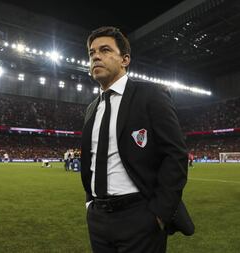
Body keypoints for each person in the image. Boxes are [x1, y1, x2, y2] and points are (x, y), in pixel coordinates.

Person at [81, 26, 193, 253]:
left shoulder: (151, 96)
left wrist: (159, 214)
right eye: (92, 53)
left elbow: (176, 154)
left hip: (140, 216)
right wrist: (90, 203)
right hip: (98, 218)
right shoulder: (92, 109)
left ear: (125, 59)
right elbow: (91, 161)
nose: (96, 56)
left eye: (104, 50)